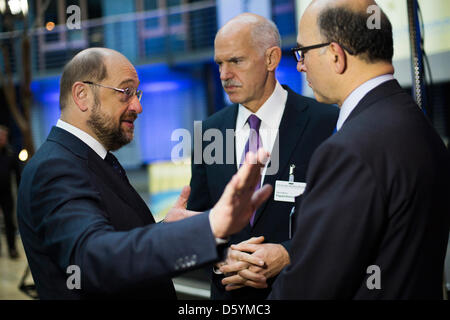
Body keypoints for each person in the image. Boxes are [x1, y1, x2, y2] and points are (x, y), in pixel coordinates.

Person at [17, 47, 273, 300]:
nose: (137, 106)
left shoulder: (91, 159)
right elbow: (94, 259)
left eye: (136, 93)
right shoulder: (54, 168)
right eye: (125, 92)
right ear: (82, 95)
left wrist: (168, 228)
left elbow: (115, 240)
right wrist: (208, 227)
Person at [266, 0, 450, 299]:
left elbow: (309, 289)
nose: (299, 64)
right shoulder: (419, 126)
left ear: (336, 55)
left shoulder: (349, 150)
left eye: (303, 52)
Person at [187, 13, 338, 300]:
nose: (223, 74)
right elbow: (199, 217)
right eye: (219, 63)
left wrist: (289, 254)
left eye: (236, 61)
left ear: (271, 59)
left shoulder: (326, 122)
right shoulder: (208, 131)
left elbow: (342, 219)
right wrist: (220, 258)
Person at [0, 125, 21, 259]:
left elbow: (17, 174)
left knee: (9, 222)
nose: (2, 139)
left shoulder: (10, 153)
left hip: (6, 193)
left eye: (4, 136)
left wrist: (21, 191)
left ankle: (12, 248)